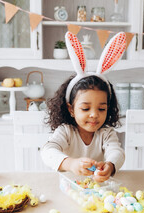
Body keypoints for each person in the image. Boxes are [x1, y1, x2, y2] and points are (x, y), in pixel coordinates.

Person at [41, 31, 127, 182]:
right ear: (71, 109)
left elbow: (116, 152)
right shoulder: (66, 132)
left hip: (96, 192)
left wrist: (110, 165)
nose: (94, 114)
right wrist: (71, 164)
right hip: (68, 188)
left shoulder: (106, 134)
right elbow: (48, 151)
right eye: (86, 108)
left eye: (101, 109)